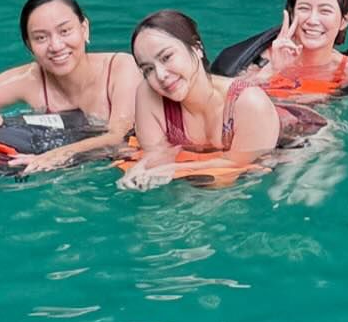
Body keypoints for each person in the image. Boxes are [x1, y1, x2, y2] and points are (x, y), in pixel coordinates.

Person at [0, 0, 141, 173]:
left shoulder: (122, 68)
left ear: (84, 28)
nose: (56, 46)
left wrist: (56, 155)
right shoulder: (29, 78)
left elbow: (117, 137)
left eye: (65, 31)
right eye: (41, 37)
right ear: (29, 46)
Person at [120, 10, 283, 191]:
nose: (160, 75)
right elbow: (156, 152)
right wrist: (141, 168)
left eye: (166, 57)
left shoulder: (250, 103)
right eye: (148, 69)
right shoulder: (148, 93)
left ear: (197, 48)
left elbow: (238, 167)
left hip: (292, 146)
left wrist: (172, 168)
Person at [244, 0, 348, 100]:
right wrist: (271, 70)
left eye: (325, 11)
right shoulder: (262, 60)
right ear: (292, 14)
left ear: (344, 21)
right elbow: (232, 98)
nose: (312, 20)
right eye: (304, 8)